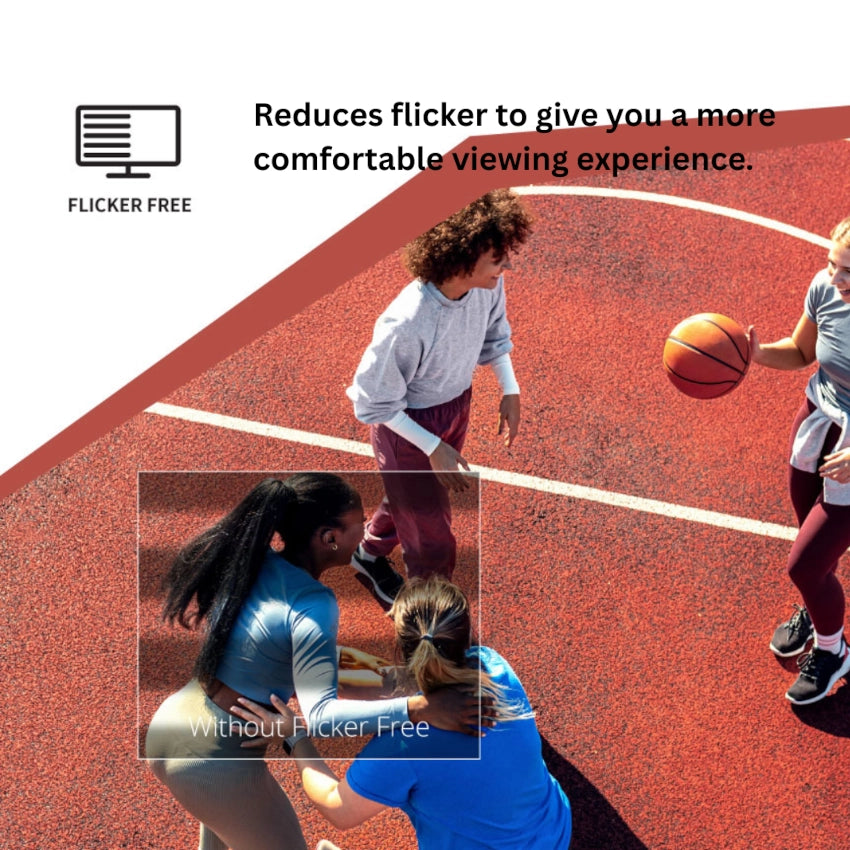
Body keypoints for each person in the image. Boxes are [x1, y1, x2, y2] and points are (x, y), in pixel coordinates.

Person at [145, 474, 488, 850]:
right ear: (330, 538)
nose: (365, 531)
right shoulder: (314, 602)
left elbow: (315, 661)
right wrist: (420, 707)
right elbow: (322, 716)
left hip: (175, 723)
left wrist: (402, 680)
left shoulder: (254, 561)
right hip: (215, 762)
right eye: (360, 523)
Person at [232, 576, 573, 849]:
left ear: (402, 647)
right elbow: (398, 681)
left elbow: (338, 808)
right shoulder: (494, 667)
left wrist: (295, 736)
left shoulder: (402, 744)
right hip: (553, 833)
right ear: (466, 636)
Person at [345, 190, 534, 608]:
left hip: (453, 408)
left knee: (411, 500)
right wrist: (432, 447)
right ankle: (429, 629)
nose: (507, 266)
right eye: (497, 258)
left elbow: (493, 333)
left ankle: (369, 556)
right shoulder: (407, 322)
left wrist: (510, 387)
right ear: (463, 258)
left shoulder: (487, 287)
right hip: (406, 430)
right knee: (434, 543)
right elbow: (372, 403)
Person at [750, 214, 850, 705]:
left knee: (805, 566)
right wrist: (753, 355)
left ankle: (833, 653)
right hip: (816, 424)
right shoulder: (825, 289)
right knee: (813, 548)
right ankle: (817, 609)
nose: (836, 279)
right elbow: (799, 351)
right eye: (834, 265)